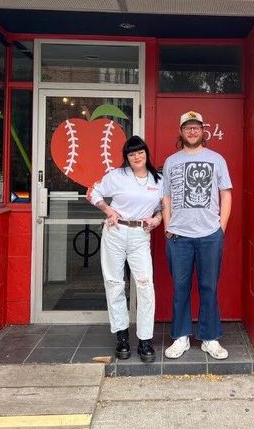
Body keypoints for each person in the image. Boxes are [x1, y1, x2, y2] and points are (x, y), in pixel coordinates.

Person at [161, 110, 233, 360]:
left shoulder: (217, 159)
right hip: (178, 236)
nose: (192, 131)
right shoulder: (171, 161)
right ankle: (180, 336)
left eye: (196, 127)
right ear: (181, 132)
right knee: (180, 287)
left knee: (208, 287)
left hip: (209, 234)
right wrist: (167, 227)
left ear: (203, 131)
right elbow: (165, 196)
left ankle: (209, 338)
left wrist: (221, 228)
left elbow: (226, 194)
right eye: (187, 127)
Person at [89, 135, 163, 362]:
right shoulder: (117, 176)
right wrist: (108, 210)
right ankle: (121, 336)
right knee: (115, 283)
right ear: (126, 158)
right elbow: (93, 192)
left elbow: (162, 208)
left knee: (145, 285)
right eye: (132, 154)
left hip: (141, 234)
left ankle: (145, 339)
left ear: (146, 154)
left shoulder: (158, 180)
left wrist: (157, 220)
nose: (137, 157)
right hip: (116, 232)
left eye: (140, 152)